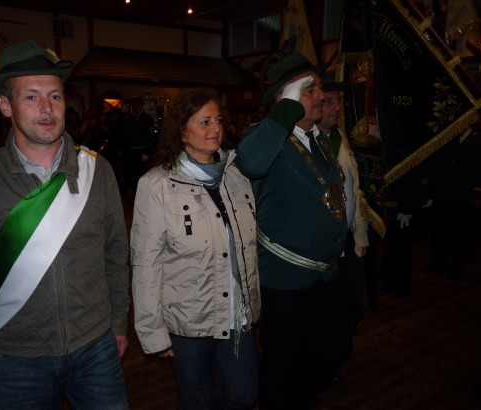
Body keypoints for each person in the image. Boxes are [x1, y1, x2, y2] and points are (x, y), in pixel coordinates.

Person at [0, 40, 130, 410]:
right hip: (15, 358)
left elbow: (116, 256)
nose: (47, 108)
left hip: (95, 347)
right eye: (31, 97)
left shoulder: (97, 170)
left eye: (55, 96)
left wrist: (118, 323)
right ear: (5, 106)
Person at [131, 90, 261, 410]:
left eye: (218, 120)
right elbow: (146, 264)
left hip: (236, 313)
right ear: (181, 131)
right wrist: (152, 331)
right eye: (204, 122)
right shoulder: (157, 185)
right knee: (195, 399)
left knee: (244, 395)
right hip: (188, 320)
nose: (215, 128)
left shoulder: (236, 175)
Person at [236, 52, 351, 409]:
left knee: (328, 349)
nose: (321, 96)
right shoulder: (266, 136)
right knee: (282, 363)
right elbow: (252, 161)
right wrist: (285, 110)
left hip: (325, 274)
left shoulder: (317, 139)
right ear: (284, 97)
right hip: (286, 279)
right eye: (309, 89)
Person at [317, 75, 369, 329]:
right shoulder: (305, 144)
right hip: (323, 243)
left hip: (346, 238)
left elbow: (353, 189)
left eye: (337, 101)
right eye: (328, 101)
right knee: (331, 309)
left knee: (357, 302)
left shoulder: (338, 135)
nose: (336, 107)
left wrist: (360, 235)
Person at [425, 112, 481, 280]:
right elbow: (438, 165)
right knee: (439, 232)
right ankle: (439, 263)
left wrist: (479, 194)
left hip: (463, 195)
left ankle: (457, 267)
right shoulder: (448, 138)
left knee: (459, 235)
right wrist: (431, 190)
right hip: (443, 192)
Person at [125, 96, 155, 191]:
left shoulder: (147, 118)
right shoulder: (130, 118)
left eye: (138, 106)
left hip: (142, 150)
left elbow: (149, 136)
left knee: (141, 173)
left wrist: (147, 152)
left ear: (142, 106)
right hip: (131, 150)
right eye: (134, 106)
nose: (136, 108)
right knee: (132, 173)